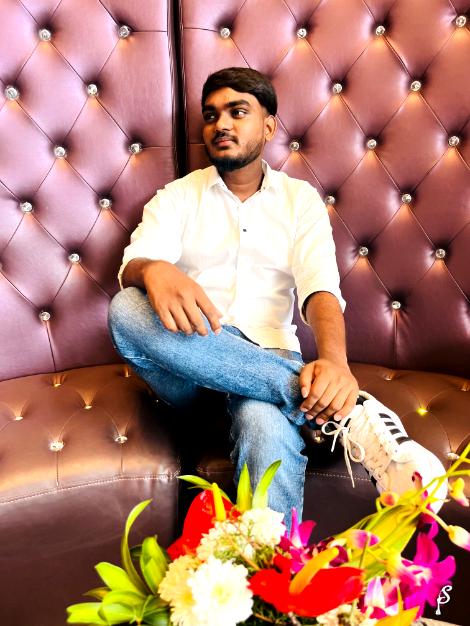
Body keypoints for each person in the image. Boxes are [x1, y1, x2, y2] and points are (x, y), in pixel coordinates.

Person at [108, 67, 446, 525]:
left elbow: (320, 288)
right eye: (211, 115)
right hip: (190, 363)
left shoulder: (299, 201)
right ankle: (348, 415)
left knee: (265, 427)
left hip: (270, 354)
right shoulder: (177, 197)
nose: (221, 124)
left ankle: (275, 568)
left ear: (268, 126)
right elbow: (134, 263)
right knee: (126, 308)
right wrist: (152, 270)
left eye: (237, 112)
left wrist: (336, 366)